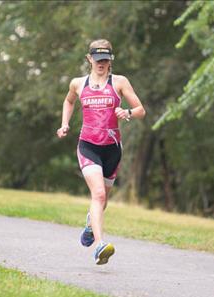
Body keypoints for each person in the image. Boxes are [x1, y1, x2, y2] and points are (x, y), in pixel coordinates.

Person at [56, 39, 146, 265]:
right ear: (89, 59)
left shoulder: (119, 82)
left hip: (112, 149)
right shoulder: (78, 83)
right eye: (97, 60)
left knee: (102, 200)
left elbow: (141, 110)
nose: (101, 64)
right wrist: (65, 123)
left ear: (110, 61)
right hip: (88, 146)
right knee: (98, 195)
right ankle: (100, 246)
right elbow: (68, 102)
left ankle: (89, 225)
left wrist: (127, 113)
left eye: (105, 60)